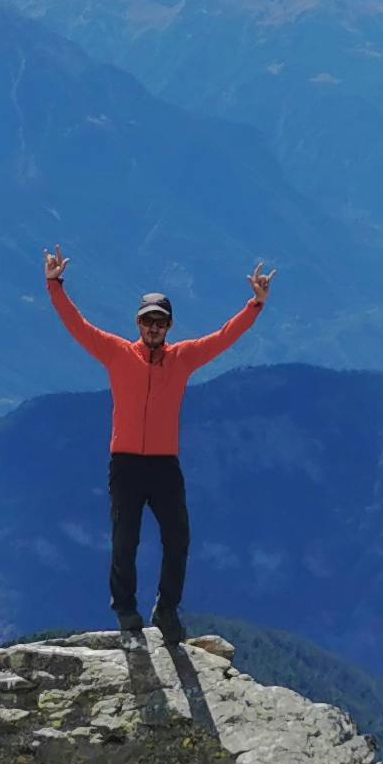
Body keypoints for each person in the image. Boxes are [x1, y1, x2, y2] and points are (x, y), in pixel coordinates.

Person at [44, 248, 271, 654]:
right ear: (138, 323)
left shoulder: (183, 358)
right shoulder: (116, 352)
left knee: (178, 538)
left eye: (160, 322)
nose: (153, 327)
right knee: (124, 540)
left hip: (165, 465)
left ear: (169, 326)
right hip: (126, 464)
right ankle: (125, 609)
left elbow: (223, 338)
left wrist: (255, 304)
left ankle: (167, 610)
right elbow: (77, 326)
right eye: (148, 321)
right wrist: (54, 284)